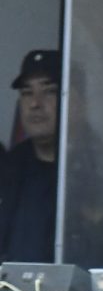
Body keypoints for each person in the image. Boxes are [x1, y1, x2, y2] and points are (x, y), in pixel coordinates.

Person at [0, 49, 61, 262]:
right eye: (27, 93)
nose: (35, 103)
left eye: (49, 91)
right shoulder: (8, 167)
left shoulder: (101, 171)